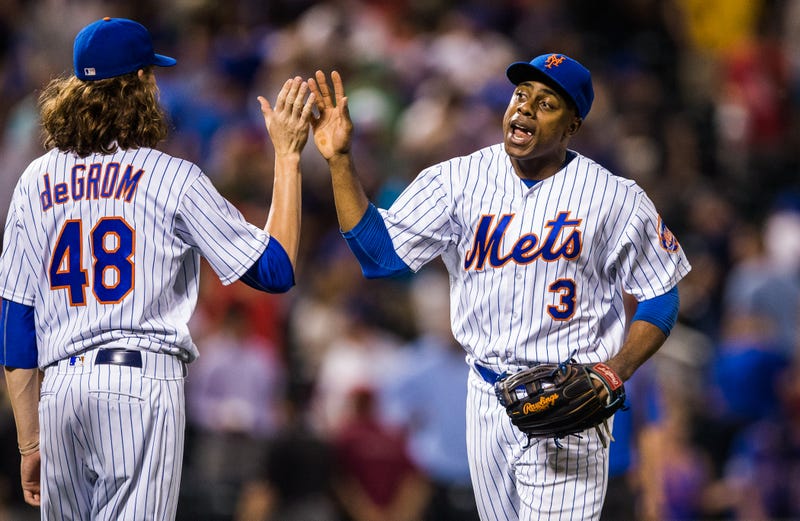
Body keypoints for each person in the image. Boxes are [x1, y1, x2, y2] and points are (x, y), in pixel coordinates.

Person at [307, 53, 692, 520]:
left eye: (546, 103)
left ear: (572, 125)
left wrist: (616, 371)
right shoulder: (457, 180)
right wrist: (341, 161)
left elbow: (661, 295)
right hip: (486, 397)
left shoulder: (614, 197)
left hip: (569, 401)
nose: (525, 109)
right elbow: (380, 257)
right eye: (521, 95)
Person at [0, 17, 314, 520]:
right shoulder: (171, 177)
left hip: (59, 393)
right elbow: (273, 270)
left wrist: (29, 441)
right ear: (142, 83)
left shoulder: (35, 180)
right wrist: (287, 157)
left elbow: (16, 326)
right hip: (138, 383)